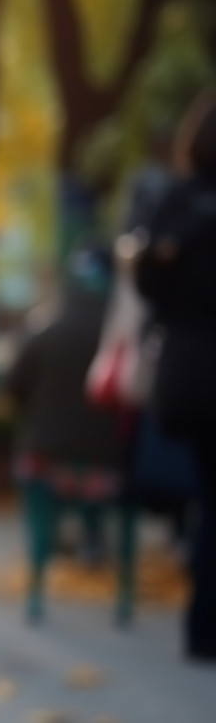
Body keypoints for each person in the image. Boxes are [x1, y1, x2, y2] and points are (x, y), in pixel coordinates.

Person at [135, 91, 216, 663]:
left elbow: (148, 289)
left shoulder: (177, 202)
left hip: (189, 370)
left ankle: (201, 624)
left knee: (210, 497)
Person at [7, 247, 121, 616]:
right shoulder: (118, 335)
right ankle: (91, 534)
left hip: (45, 456)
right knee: (94, 464)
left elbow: (15, 388)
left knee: (46, 464)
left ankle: (45, 542)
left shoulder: (45, 331)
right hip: (109, 461)